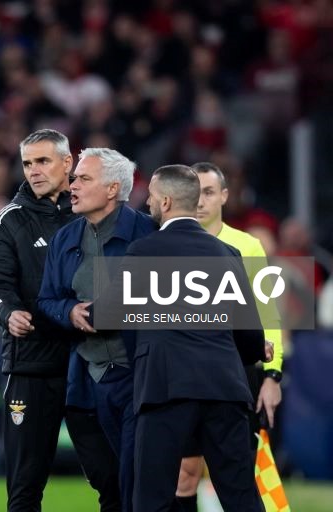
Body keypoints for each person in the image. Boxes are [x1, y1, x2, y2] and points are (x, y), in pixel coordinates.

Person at [0, 130, 121, 512]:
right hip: (33, 365)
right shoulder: (9, 221)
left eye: (43, 161)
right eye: (28, 163)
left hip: (90, 363)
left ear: (67, 163)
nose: (34, 171)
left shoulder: (91, 217)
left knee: (114, 479)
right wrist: (8, 313)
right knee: (25, 487)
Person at [115, 165, 269, 511]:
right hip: (225, 389)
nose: (149, 204)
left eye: (152, 197)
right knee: (241, 496)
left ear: (166, 201)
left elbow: (128, 327)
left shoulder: (142, 252)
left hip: (164, 388)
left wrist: (144, 364)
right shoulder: (228, 254)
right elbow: (249, 333)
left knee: (152, 497)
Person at [38, 147, 157, 512]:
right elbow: (47, 299)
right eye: (74, 178)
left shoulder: (148, 234)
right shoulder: (65, 237)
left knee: (138, 484)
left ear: (112, 189)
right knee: (107, 485)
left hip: (135, 376)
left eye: (83, 179)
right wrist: (70, 311)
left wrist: (110, 313)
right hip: (84, 380)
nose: (72, 185)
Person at [168, 162, 285, 511]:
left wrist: (272, 374)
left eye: (208, 192)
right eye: (194, 192)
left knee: (237, 475)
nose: (200, 200)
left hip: (236, 375)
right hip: (183, 375)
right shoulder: (165, 242)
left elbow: (267, 314)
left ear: (224, 196)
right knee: (185, 472)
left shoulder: (246, 246)